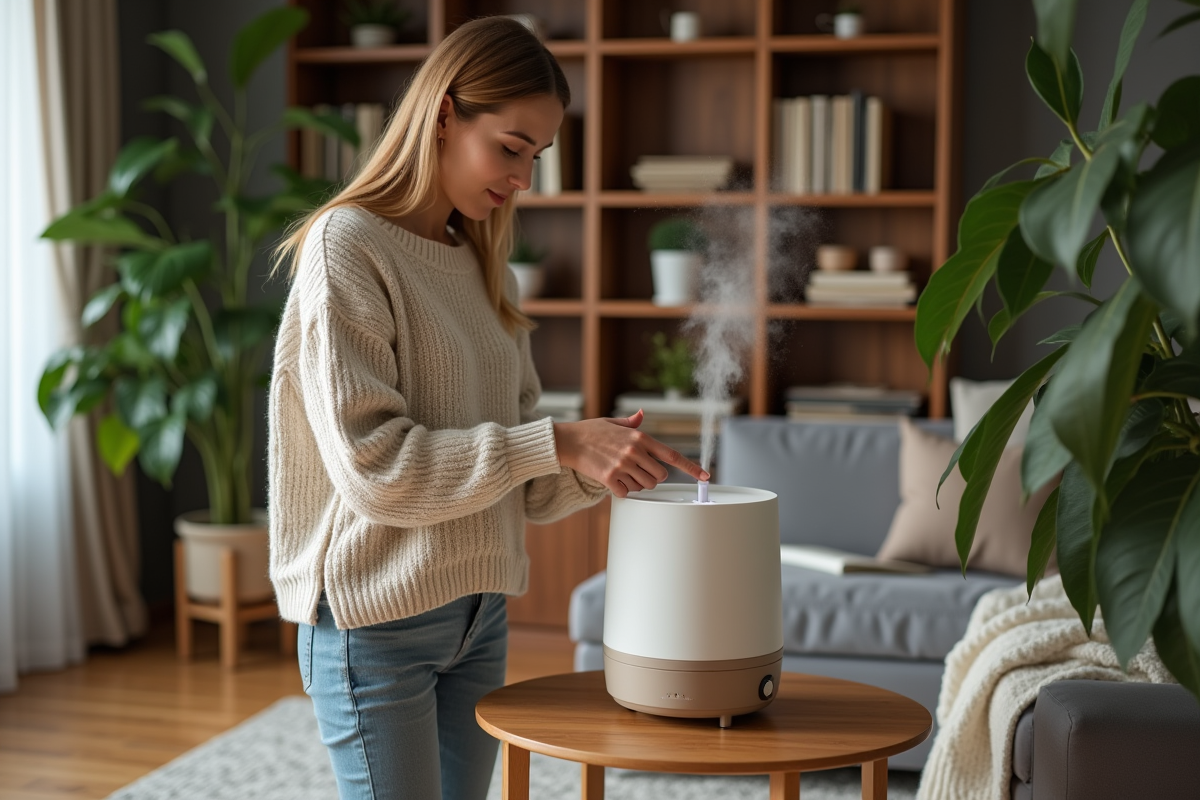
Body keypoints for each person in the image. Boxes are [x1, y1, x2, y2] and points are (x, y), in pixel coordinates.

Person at [268, 16, 708, 800]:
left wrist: (605, 458)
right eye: (510, 147)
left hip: (480, 617)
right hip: (377, 623)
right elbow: (380, 470)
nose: (524, 178)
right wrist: (558, 443)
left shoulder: (482, 264)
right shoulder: (348, 248)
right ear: (442, 115)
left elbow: (528, 487)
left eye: (537, 157)